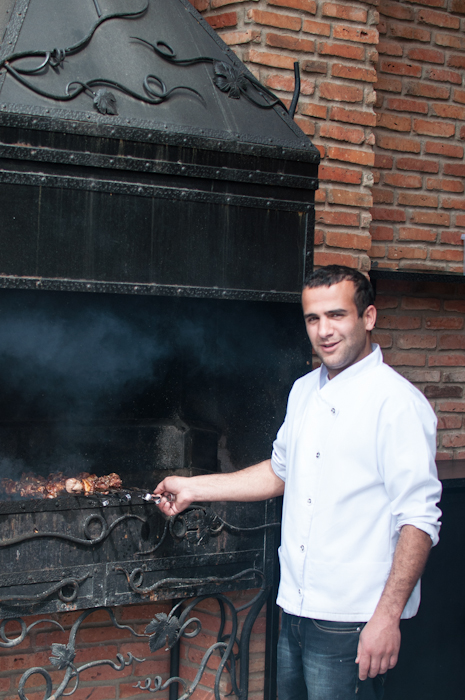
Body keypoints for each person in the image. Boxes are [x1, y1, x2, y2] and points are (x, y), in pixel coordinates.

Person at [154, 264, 442, 700]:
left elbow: (418, 520)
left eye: (336, 315)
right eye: (313, 318)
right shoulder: (304, 390)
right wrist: (195, 488)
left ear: (368, 317)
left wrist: (386, 618)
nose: (324, 331)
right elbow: (280, 472)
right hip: (296, 606)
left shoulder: (398, 404)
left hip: (355, 617)